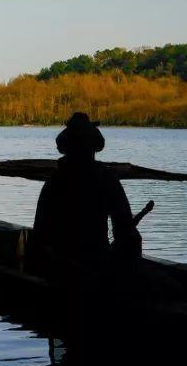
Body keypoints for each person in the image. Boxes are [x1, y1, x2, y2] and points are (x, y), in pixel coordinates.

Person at [30, 113, 142, 282]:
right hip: (94, 266)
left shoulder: (55, 180)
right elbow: (125, 231)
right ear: (93, 147)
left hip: (63, 270)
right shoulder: (106, 178)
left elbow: (40, 236)